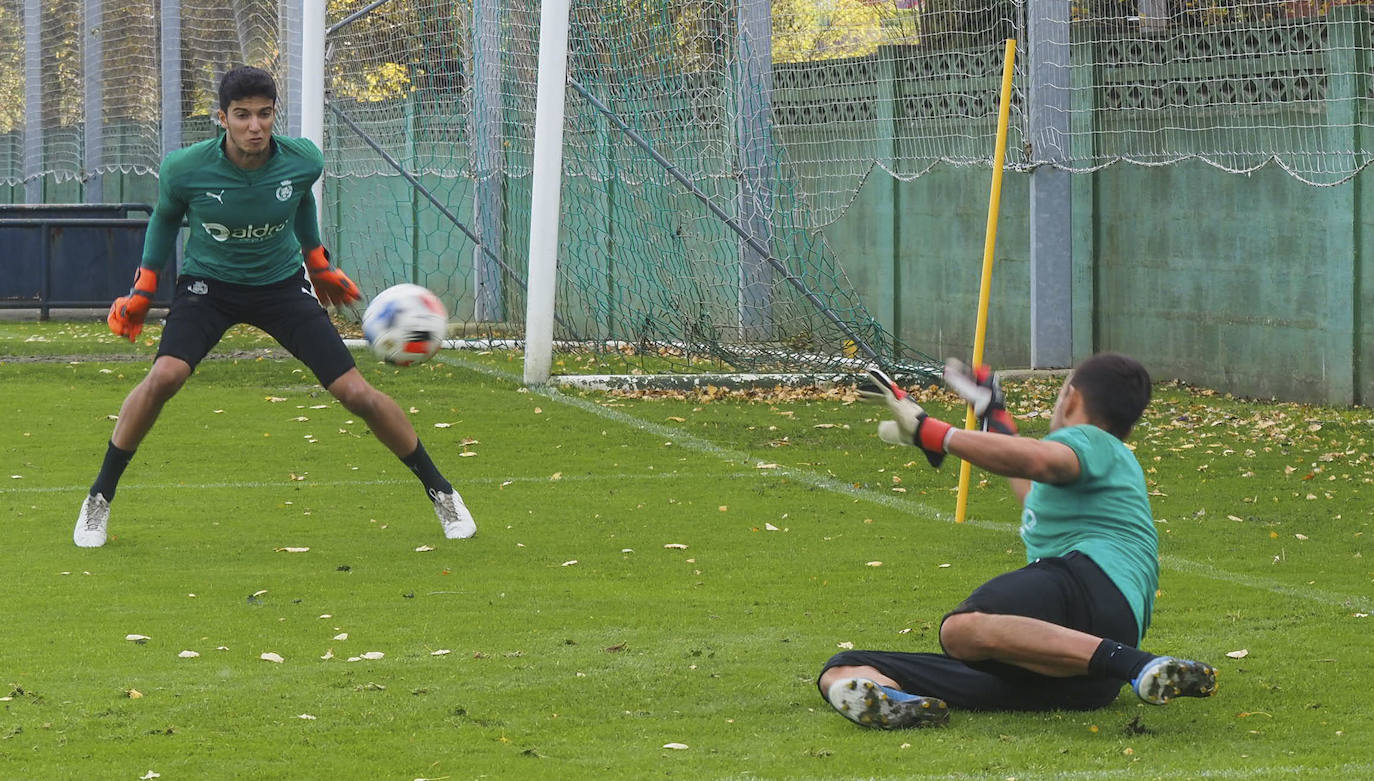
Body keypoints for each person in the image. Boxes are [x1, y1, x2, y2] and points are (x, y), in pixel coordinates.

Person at [73, 65, 475, 548]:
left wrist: (318, 262)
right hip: (208, 287)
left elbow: (300, 198)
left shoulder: (302, 159)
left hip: (280, 286)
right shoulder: (185, 169)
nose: (255, 126)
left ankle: (442, 492)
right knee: (164, 378)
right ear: (222, 118)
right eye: (242, 115)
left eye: (264, 114)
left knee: (355, 393)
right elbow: (164, 219)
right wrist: (143, 289)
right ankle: (98, 499)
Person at [817, 353, 1216, 728]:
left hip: (1090, 586)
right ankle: (889, 698)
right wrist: (993, 412)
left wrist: (932, 432)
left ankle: (1138, 664)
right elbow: (1030, 485)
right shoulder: (1094, 464)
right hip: (1085, 678)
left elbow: (1038, 459)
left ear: (1071, 396)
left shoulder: (1092, 440)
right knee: (840, 669)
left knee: (960, 630)